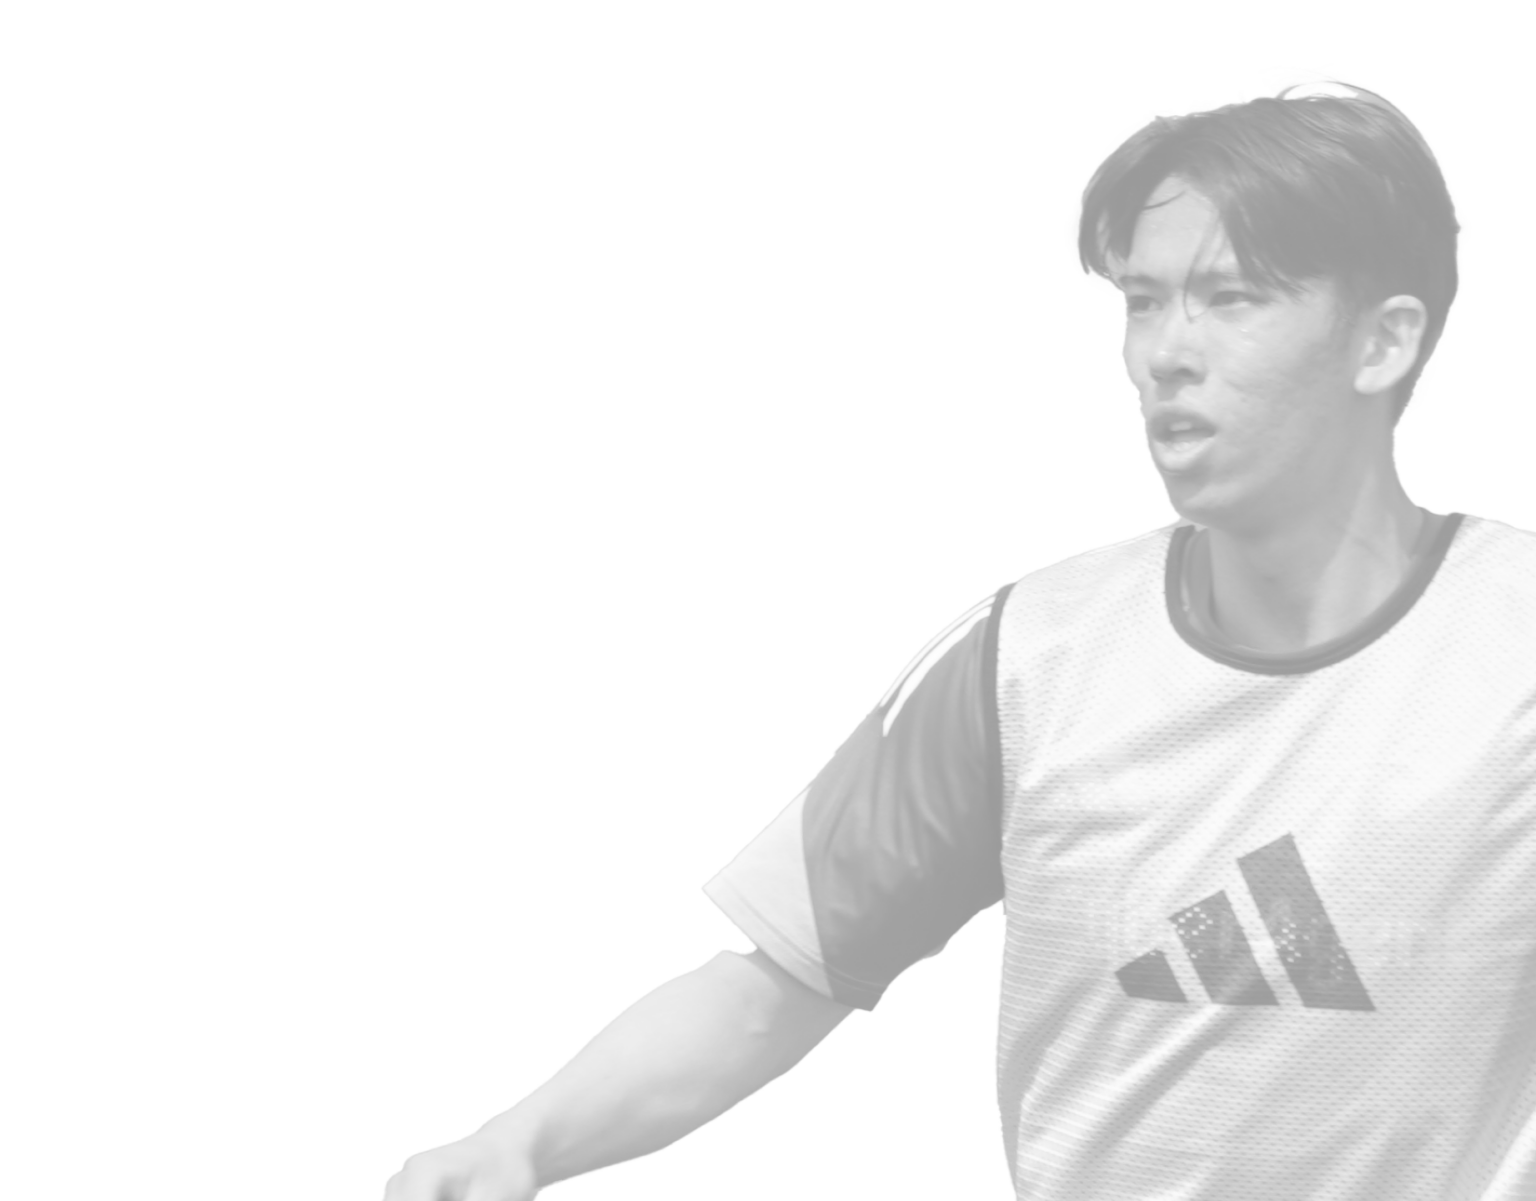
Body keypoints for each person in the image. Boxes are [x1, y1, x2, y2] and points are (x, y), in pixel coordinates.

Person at [383, 72, 1534, 1200]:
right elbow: (768, 987)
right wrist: (516, 1145)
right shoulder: (1031, 656)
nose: (1164, 353)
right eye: (1141, 301)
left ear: (1383, 343)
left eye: (1230, 297)